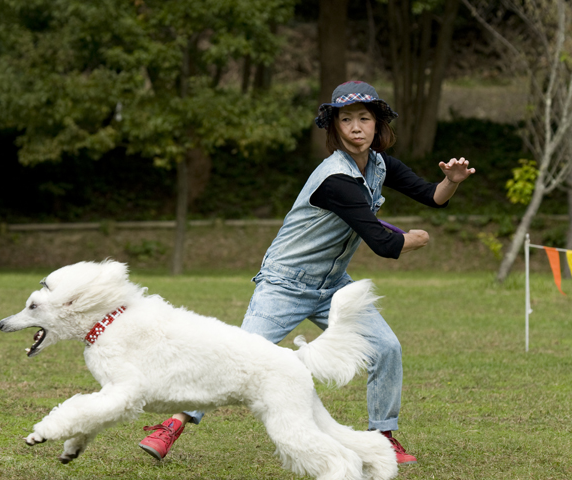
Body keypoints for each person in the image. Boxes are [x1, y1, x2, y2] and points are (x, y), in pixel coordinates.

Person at [138, 80, 475, 465]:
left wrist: (450, 182)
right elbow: (385, 244)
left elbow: (431, 196)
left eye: (364, 118)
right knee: (237, 358)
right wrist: (412, 239)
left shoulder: (379, 164)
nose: (356, 128)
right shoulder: (335, 179)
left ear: (378, 125)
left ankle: (382, 438)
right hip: (285, 283)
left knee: (386, 348)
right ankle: (172, 424)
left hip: (333, 286)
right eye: (346, 120)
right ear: (334, 128)